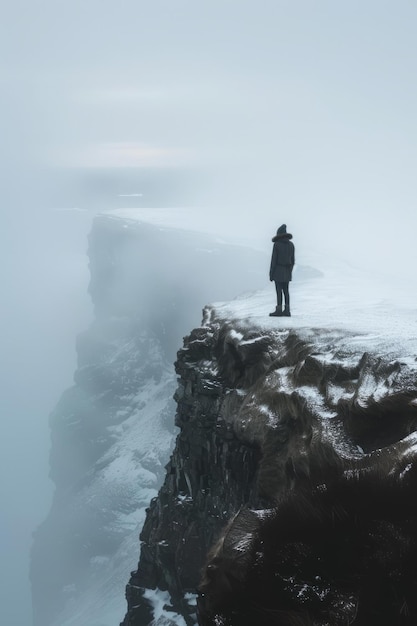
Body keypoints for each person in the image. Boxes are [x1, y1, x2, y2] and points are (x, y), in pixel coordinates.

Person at [269, 223, 295, 317]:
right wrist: (289, 271)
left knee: (279, 291)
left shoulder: (277, 244)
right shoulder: (291, 245)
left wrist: (271, 274)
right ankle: (287, 310)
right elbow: (293, 261)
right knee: (286, 291)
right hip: (287, 271)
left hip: (278, 271)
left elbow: (273, 260)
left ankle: (279, 310)